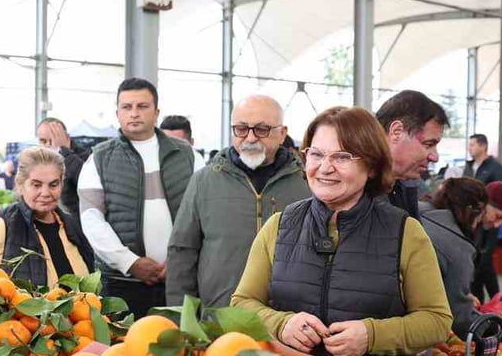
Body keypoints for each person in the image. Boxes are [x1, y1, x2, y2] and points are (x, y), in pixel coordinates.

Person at [231, 106, 452, 356]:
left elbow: (437, 322)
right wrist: (282, 323)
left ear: (372, 165)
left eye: (342, 157)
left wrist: (371, 335)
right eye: (316, 154)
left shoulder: (405, 232)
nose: (325, 168)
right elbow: (242, 303)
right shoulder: (280, 226)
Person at [167, 95, 310, 309]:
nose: (250, 138)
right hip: (218, 321)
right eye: (241, 129)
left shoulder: (307, 184)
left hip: (288, 324)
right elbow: (182, 252)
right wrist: (181, 319)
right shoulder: (204, 181)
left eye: (262, 129)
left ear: (282, 134)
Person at [78, 78, 198, 317]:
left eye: (142, 106)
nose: (134, 113)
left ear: (156, 112)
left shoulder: (189, 157)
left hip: (179, 282)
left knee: (180, 349)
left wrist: (179, 262)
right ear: (117, 113)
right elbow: (92, 220)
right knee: (122, 351)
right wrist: (129, 262)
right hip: (122, 285)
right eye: (127, 107)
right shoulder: (98, 159)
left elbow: (205, 217)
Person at [0, 147, 94, 286]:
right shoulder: (0, 230)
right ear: (20, 185)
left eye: (53, 185)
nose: (46, 193)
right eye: (36, 185)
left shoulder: (70, 226)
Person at [420, 178, 487, 341]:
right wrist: (494, 329)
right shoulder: (457, 246)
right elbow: (462, 318)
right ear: (472, 212)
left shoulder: (413, 209)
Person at [374, 90, 449, 218]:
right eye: (428, 144)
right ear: (396, 132)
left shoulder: (403, 187)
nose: (435, 157)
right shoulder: (350, 194)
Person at [463, 134, 502, 301]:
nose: (470, 148)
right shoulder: (468, 167)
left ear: (483, 146)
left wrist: (492, 213)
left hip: (489, 223)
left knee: (485, 260)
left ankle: (495, 300)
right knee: (476, 261)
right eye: (469, 145)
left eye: (473, 145)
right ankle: (482, 302)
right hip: (471, 221)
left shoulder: (496, 168)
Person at [36, 117, 91, 215]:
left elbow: (86, 182)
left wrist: (63, 151)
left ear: (66, 137)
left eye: (54, 140)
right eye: (43, 141)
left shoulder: (87, 158)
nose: (49, 145)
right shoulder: (37, 161)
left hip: (76, 223)